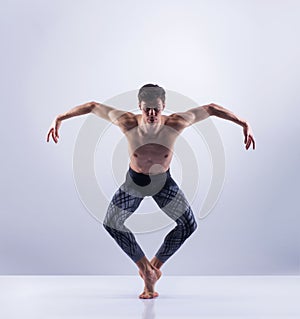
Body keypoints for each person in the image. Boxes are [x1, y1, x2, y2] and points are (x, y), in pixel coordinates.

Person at [46, 84, 255, 299]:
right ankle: (146, 269)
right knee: (112, 222)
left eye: (156, 108)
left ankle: (153, 268)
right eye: (147, 109)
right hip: (136, 182)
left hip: (163, 182)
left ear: (164, 106)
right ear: (139, 106)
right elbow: (92, 106)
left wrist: (243, 123)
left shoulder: (176, 123)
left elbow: (211, 108)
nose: (152, 114)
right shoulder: (126, 122)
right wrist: (59, 118)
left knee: (188, 225)